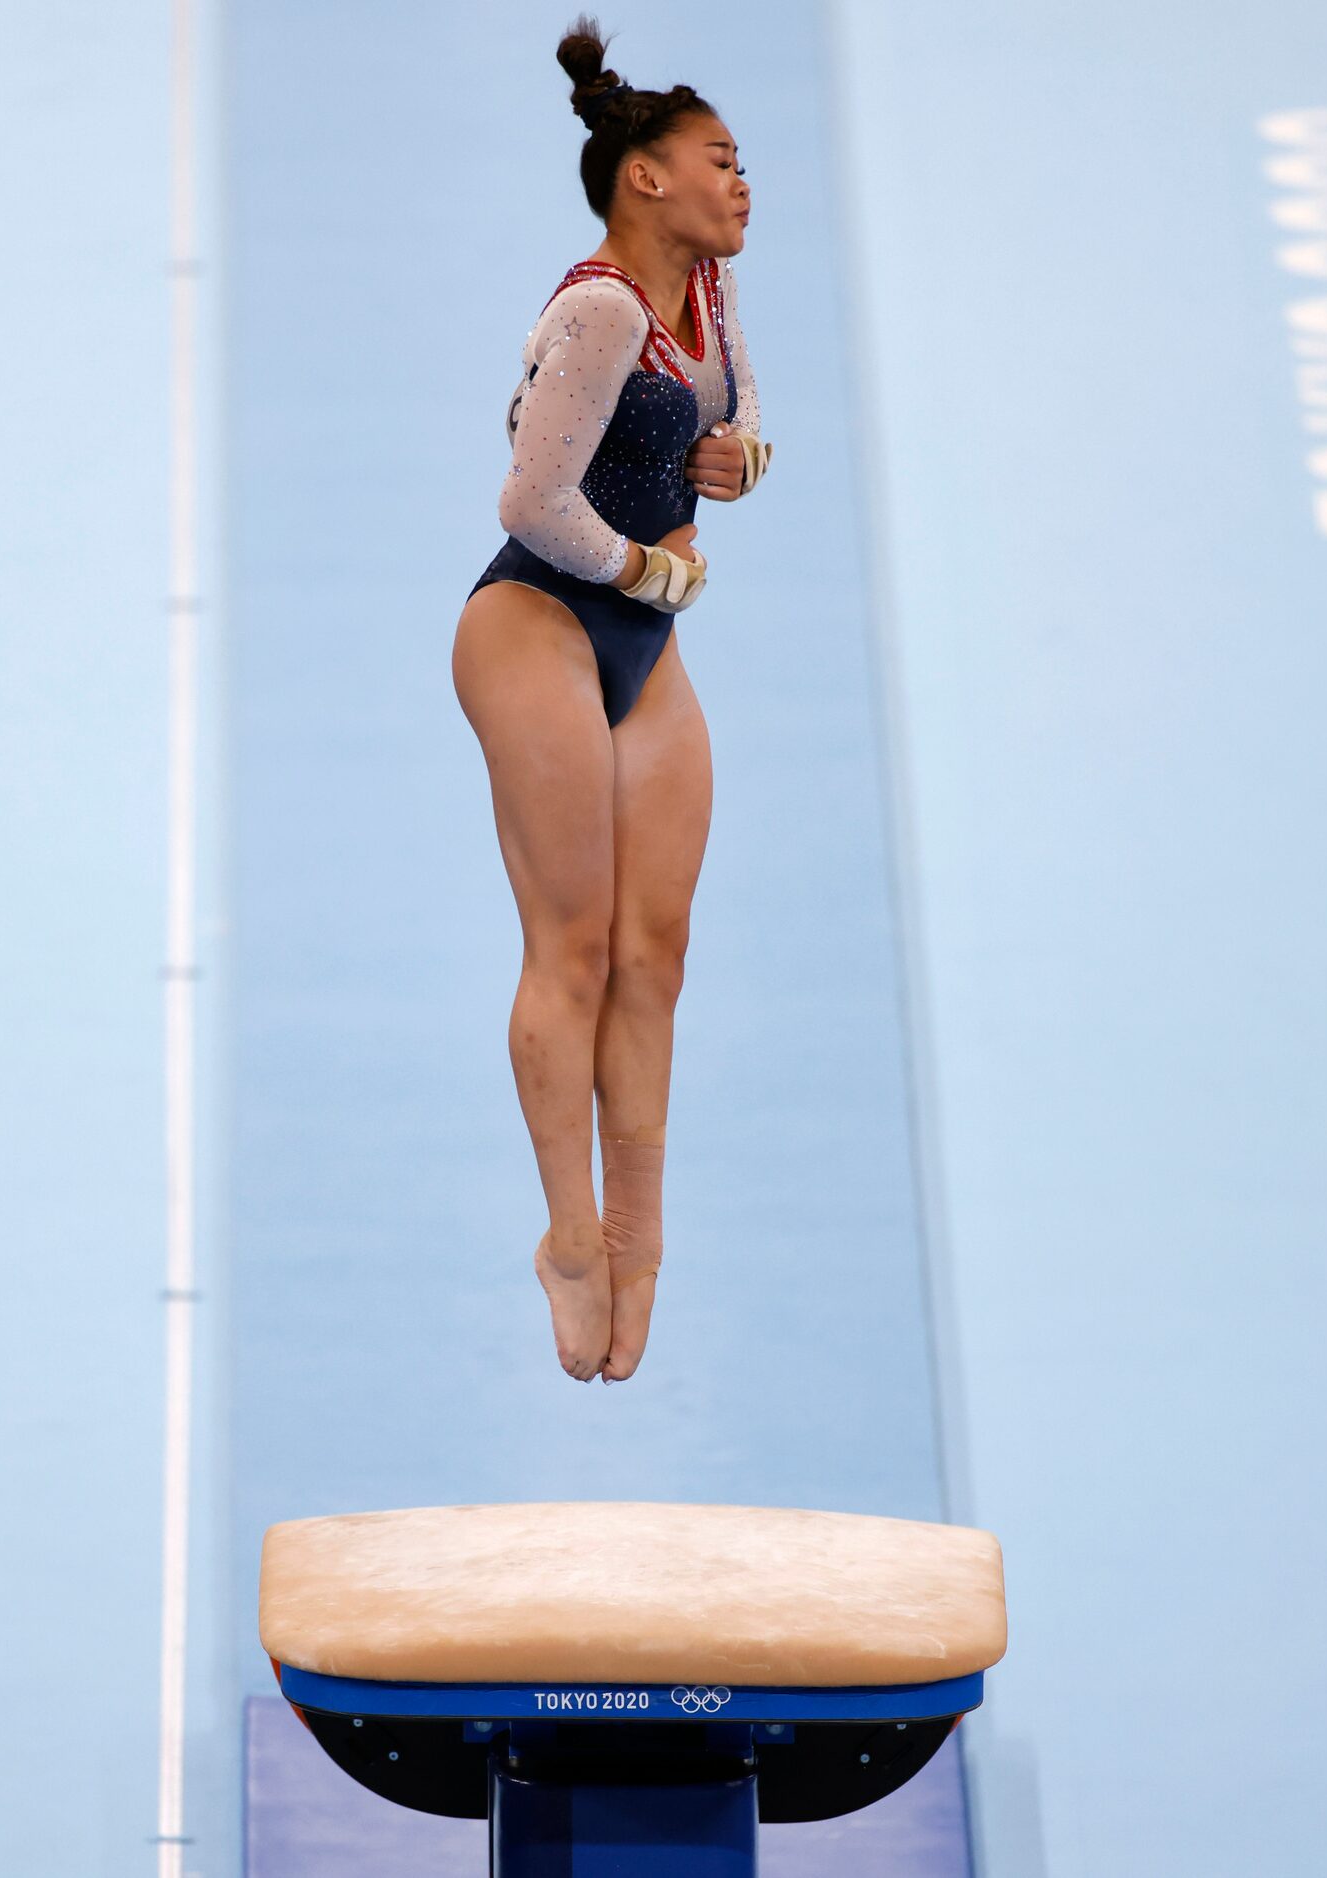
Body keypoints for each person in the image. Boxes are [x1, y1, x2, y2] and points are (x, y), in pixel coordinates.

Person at [452, 15, 773, 1384]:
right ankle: (569, 1235)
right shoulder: (597, 310)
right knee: (573, 946)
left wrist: (741, 460)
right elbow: (529, 497)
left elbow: (740, 407)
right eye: (718, 159)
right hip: (535, 622)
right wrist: (648, 563)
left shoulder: (705, 292)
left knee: (658, 952)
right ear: (643, 175)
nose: (740, 182)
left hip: (645, 643)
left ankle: (638, 1235)